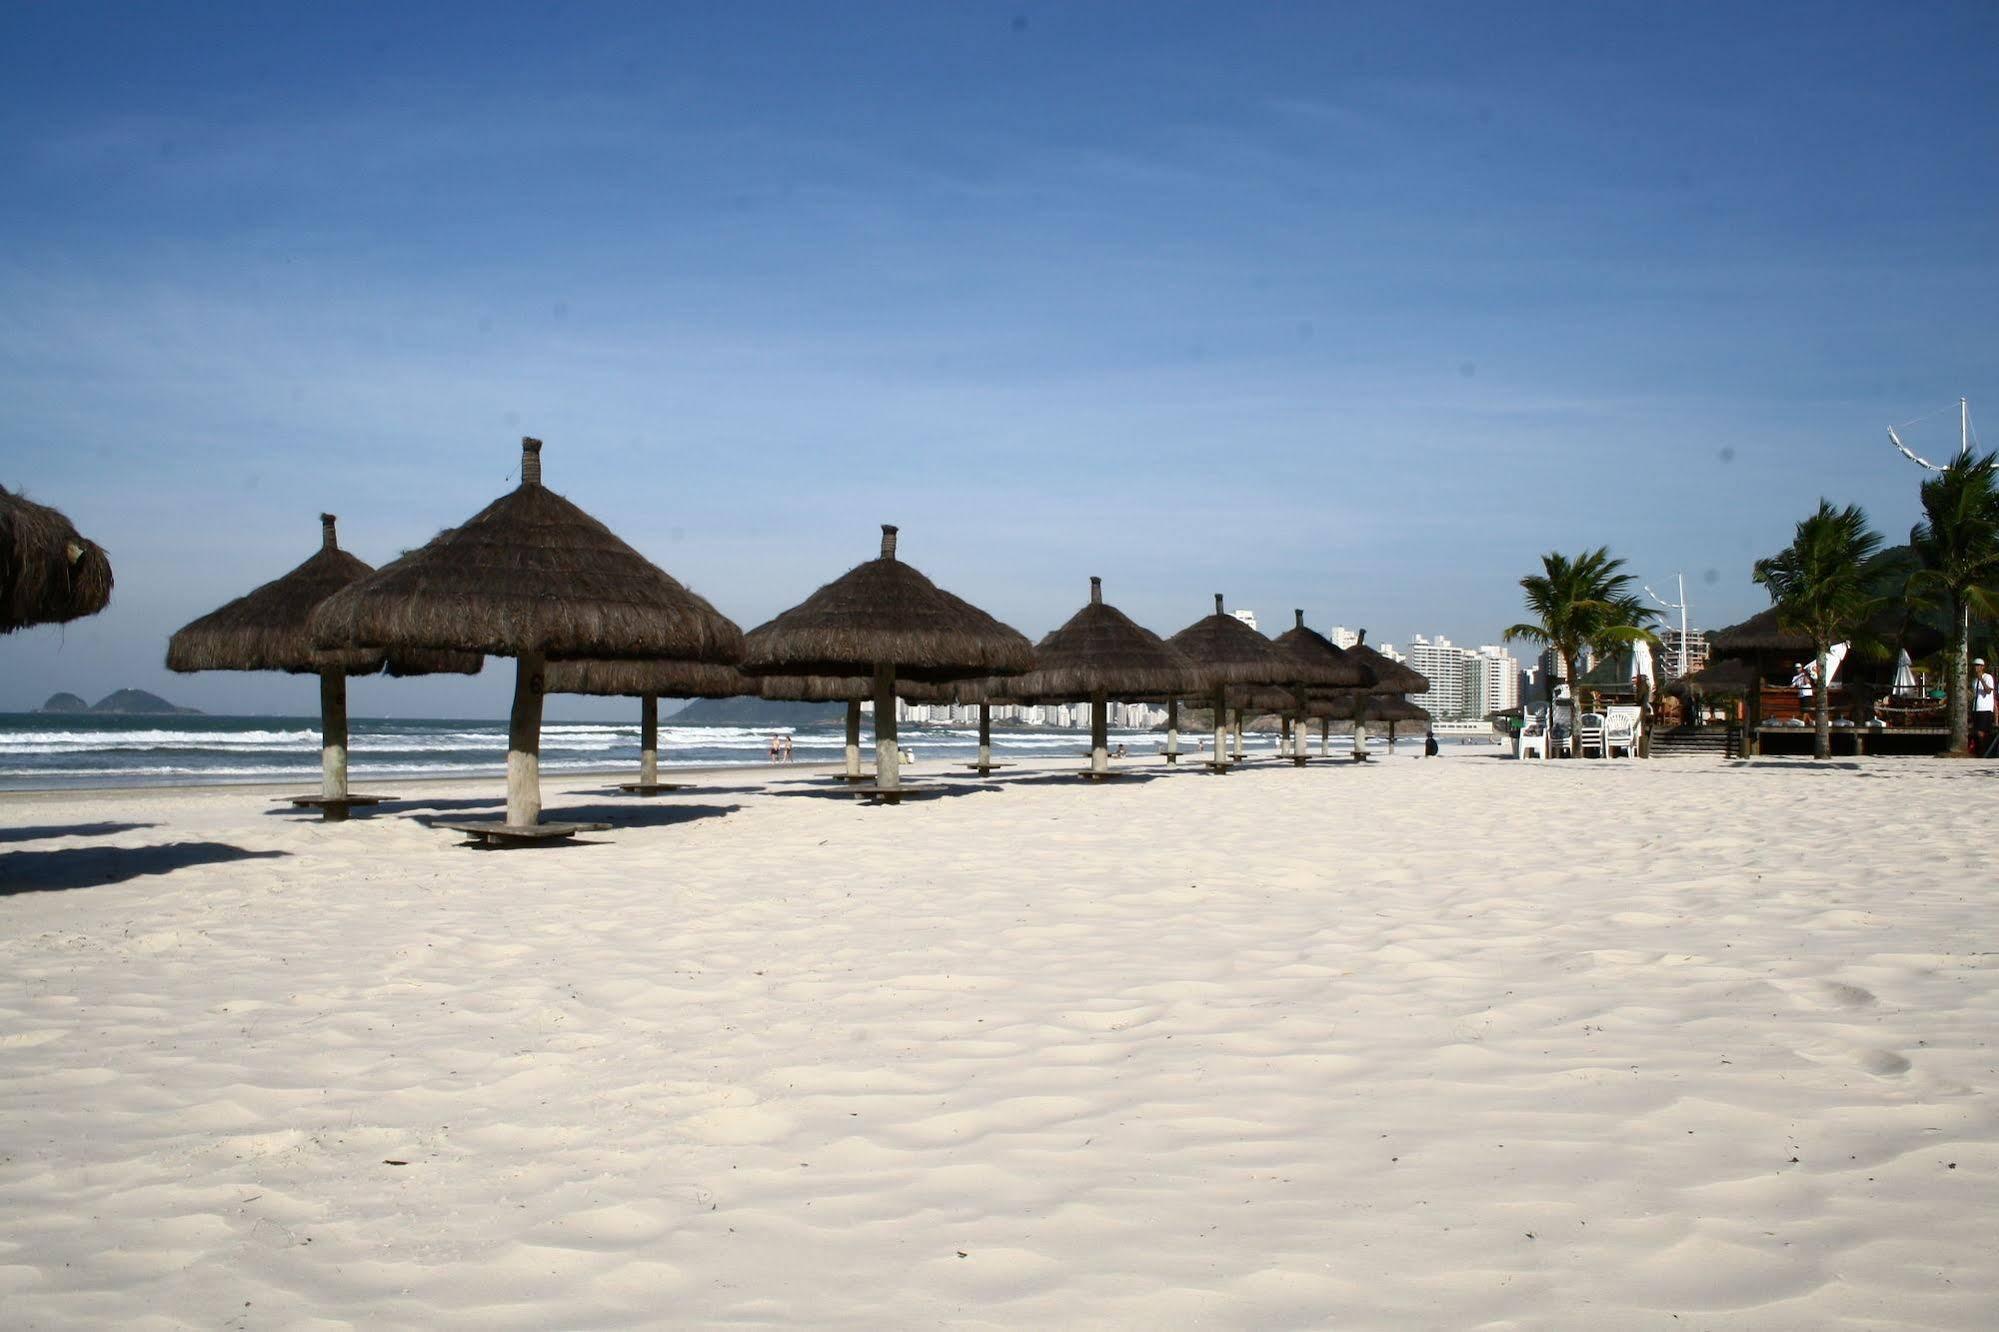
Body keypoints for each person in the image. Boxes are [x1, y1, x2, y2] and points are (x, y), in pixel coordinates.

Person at [1972, 658, 1995, 756]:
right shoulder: (1974, 680)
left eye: (1978, 665)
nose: (1976, 667)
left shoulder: (1987, 677)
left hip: (1985, 708)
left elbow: (1988, 691)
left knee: (1981, 732)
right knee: (1976, 731)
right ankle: (1979, 750)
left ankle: (1983, 751)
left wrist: (1981, 680)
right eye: (1974, 665)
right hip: (1976, 708)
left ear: (1982, 667)